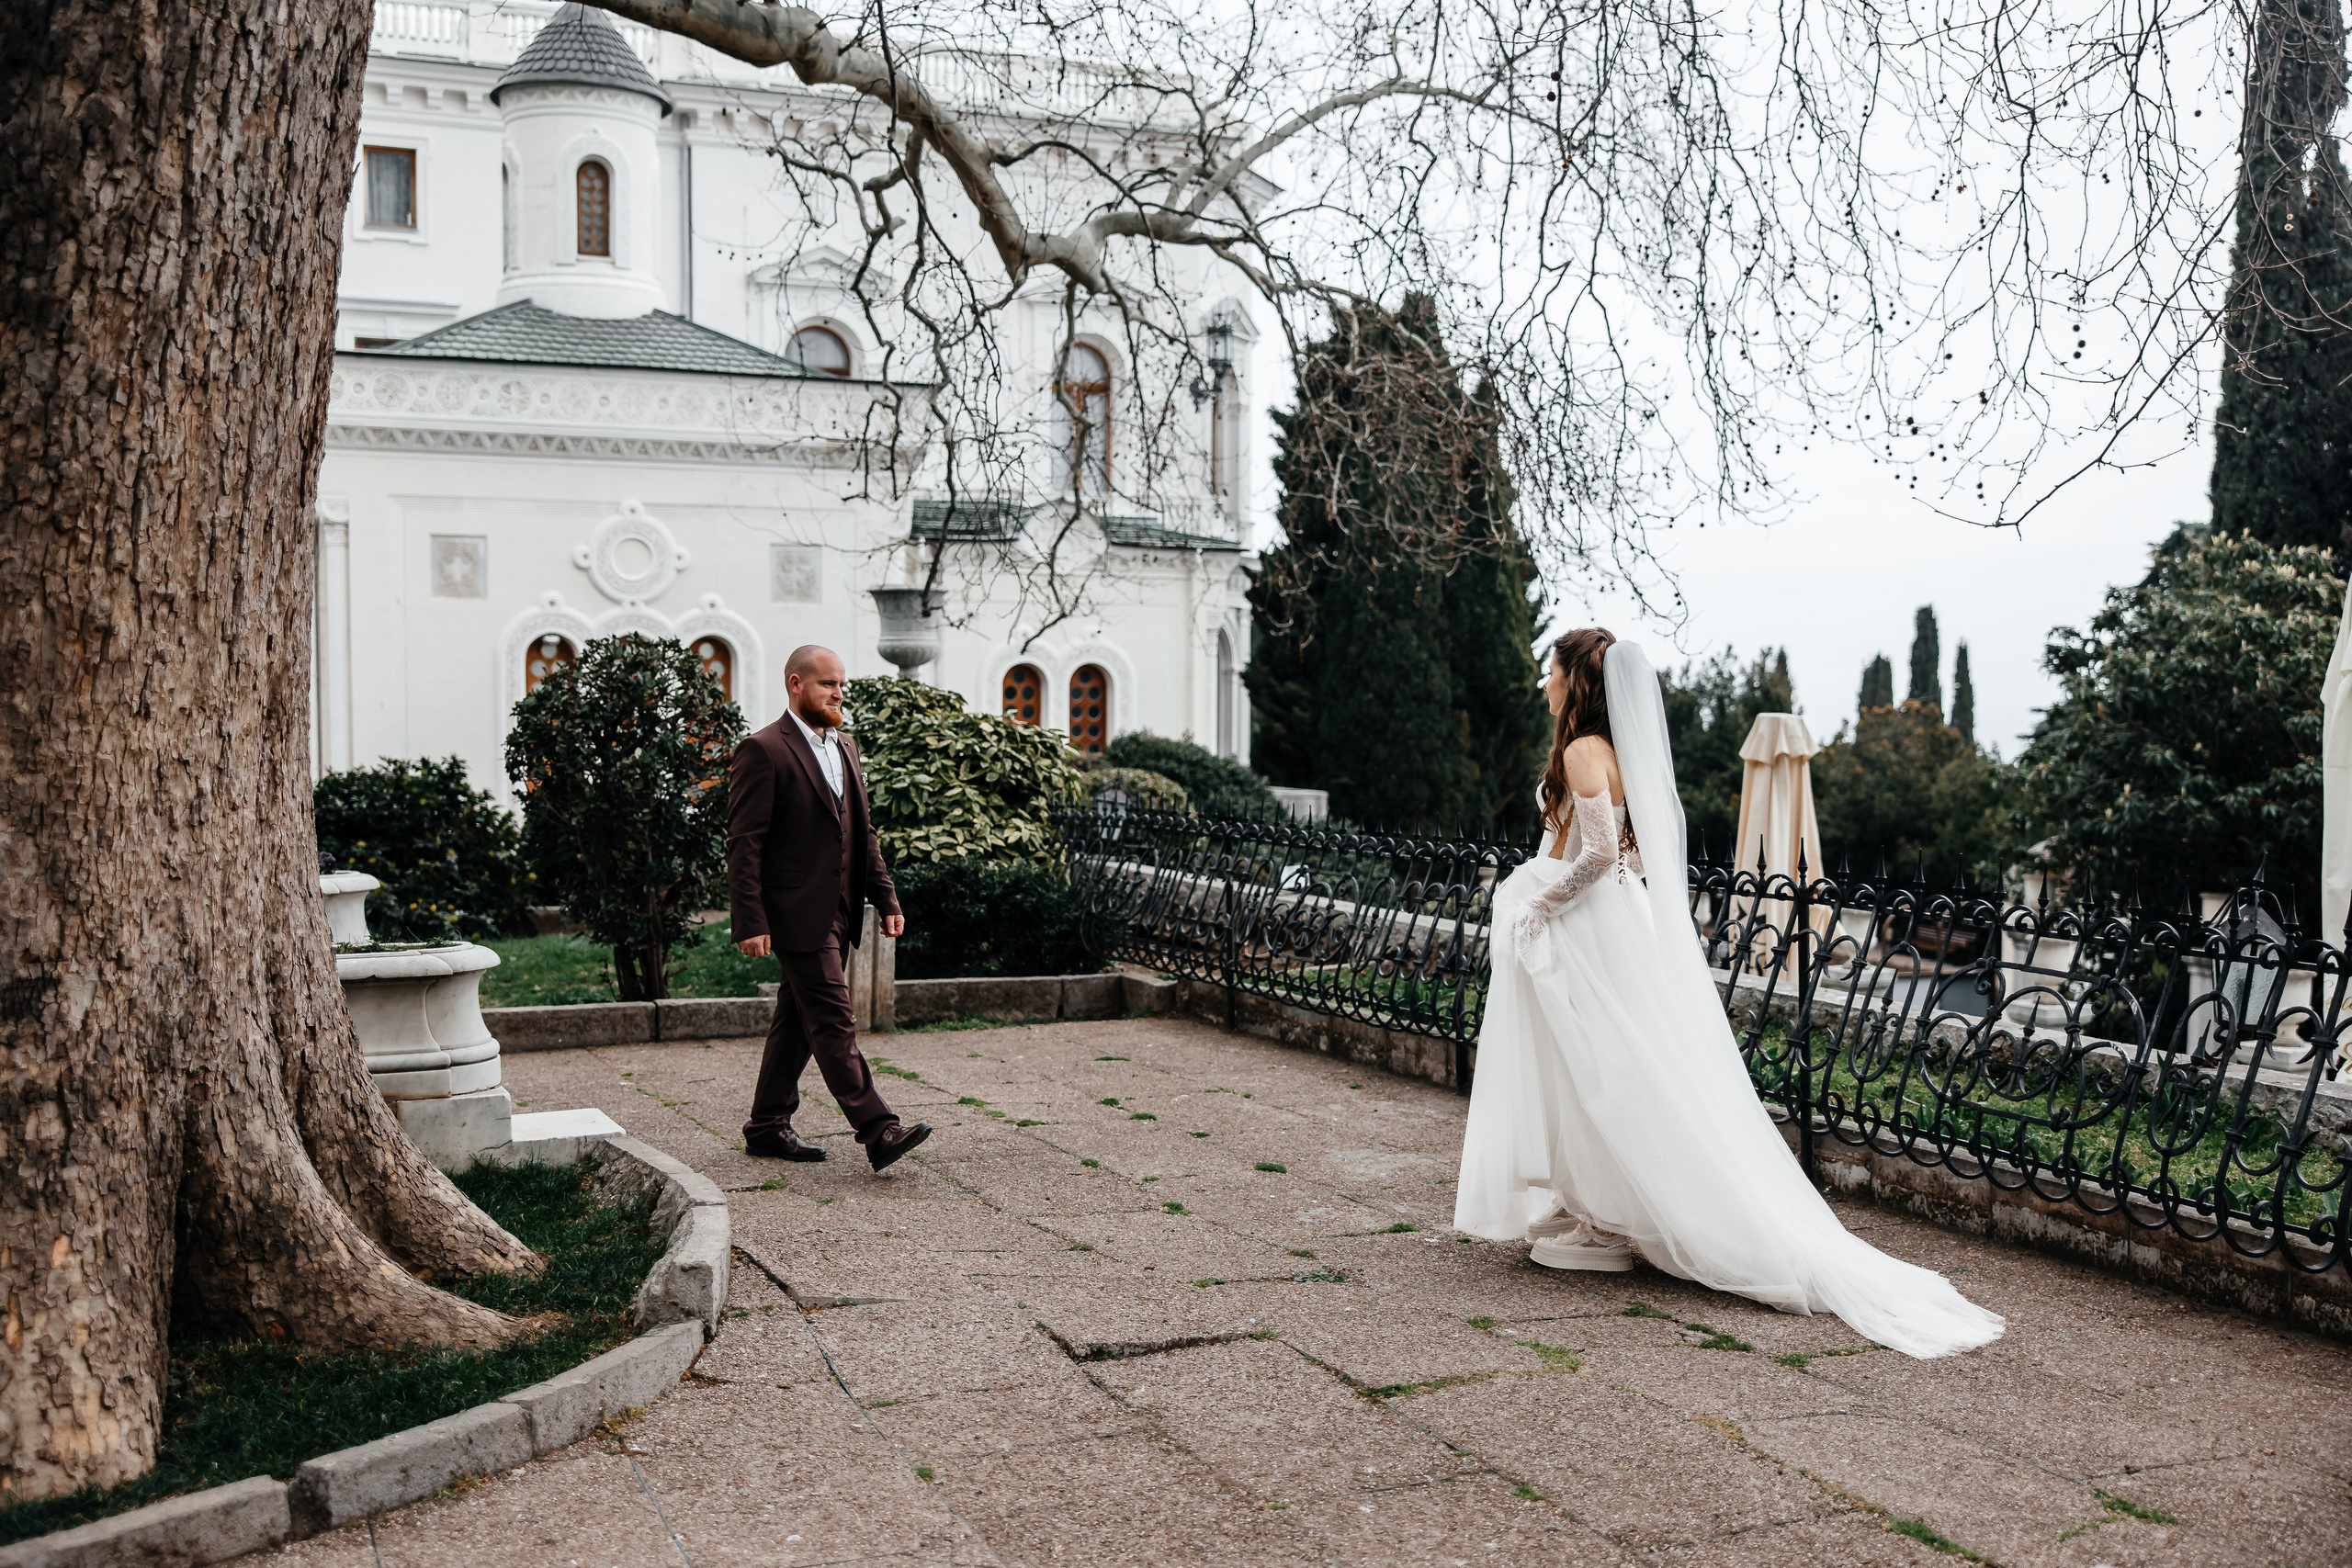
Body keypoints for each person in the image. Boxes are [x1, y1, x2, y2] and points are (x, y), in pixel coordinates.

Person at [1453, 628, 2003, 1359]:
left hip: (1580, 925)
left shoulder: (1585, 751)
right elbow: (1633, 849)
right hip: (1608, 919)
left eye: (1548, 672)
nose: (1542, 684)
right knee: (1602, 1061)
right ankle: (1595, 1198)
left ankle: (1608, 1208)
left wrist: (1537, 906)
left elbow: (1599, 852)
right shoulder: (1611, 756)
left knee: (1595, 1064)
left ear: (1574, 681)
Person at [728, 645, 931, 1172]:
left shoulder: (846, 747)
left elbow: (863, 834)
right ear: (796, 684)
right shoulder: (764, 749)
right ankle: (878, 1129)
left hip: (839, 911)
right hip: (794, 913)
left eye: (842, 685)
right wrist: (750, 920)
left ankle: (767, 1125)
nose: (838, 694)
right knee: (834, 1021)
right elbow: (744, 844)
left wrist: (884, 896)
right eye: (826, 685)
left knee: (797, 1021)